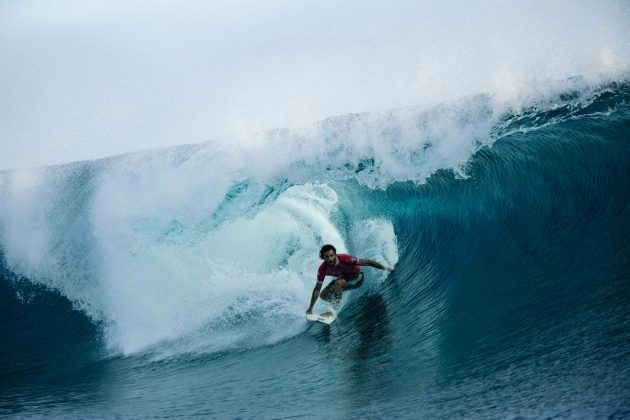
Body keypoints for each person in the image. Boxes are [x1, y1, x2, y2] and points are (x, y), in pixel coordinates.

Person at [306, 244, 395, 315]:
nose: (330, 259)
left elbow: (367, 262)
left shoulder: (345, 258)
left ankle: (332, 311)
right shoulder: (322, 269)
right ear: (323, 257)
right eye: (327, 257)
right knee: (323, 295)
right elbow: (317, 289)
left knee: (338, 282)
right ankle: (336, 300)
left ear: (335, 254)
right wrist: (310, 308)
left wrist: (385, 268)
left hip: (357, 278)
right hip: (343, 280)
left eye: (332, 255)